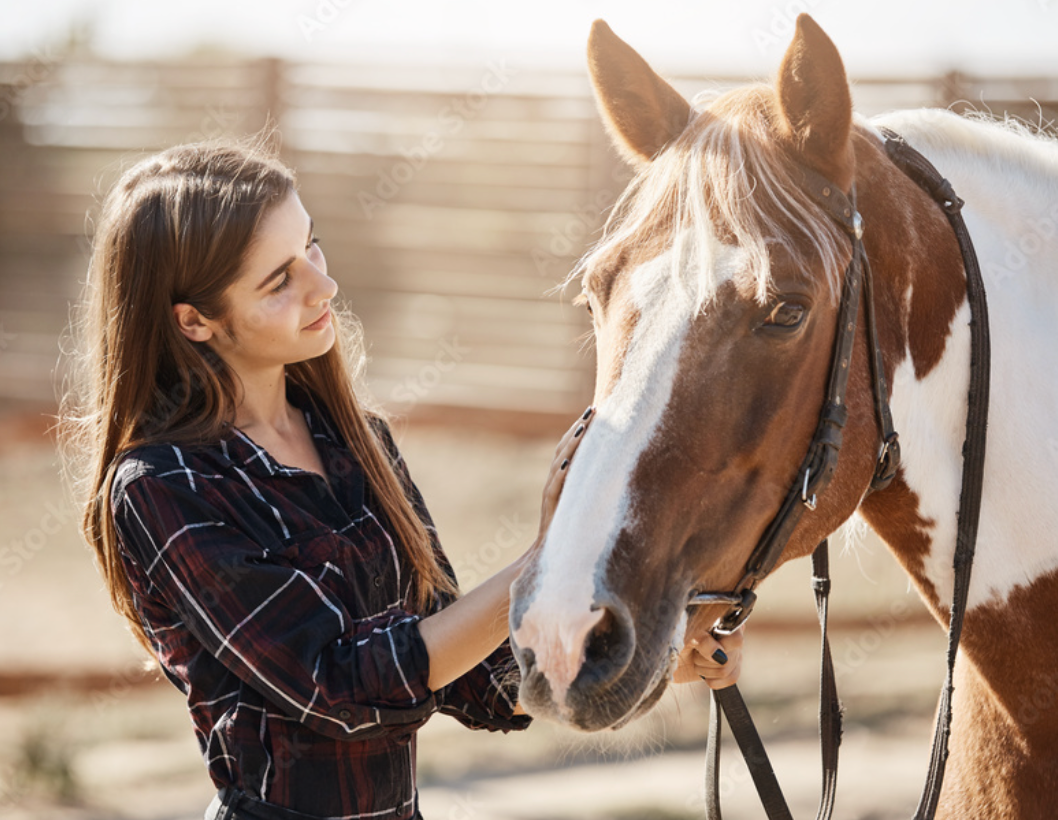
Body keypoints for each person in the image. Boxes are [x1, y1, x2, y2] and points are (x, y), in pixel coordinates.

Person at [59, 136, 743, 820]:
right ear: (194, 321)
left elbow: (465, 670)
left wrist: (649, 652)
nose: (322, 285)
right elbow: (341, 686)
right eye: (279, 281)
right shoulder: (161, 486)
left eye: (312, 247)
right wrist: (545, 552)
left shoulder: (356, 442)